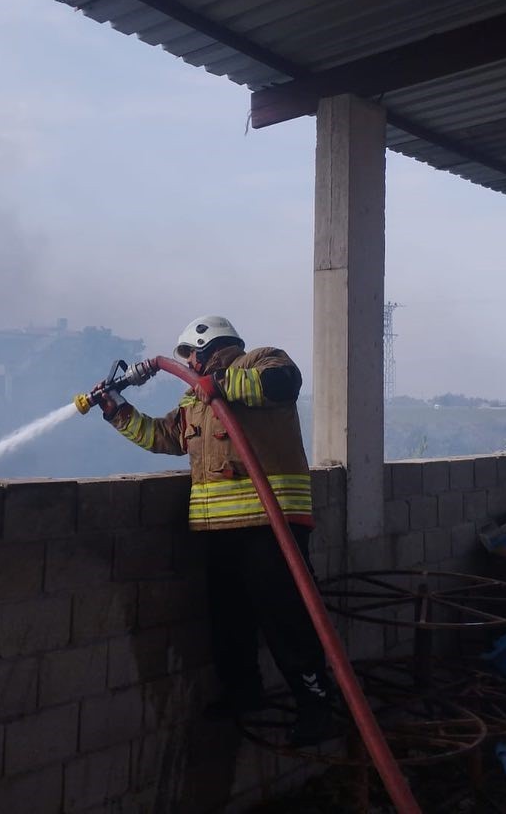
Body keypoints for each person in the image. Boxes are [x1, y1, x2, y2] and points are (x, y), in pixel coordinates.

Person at [95, 315, 333, 745]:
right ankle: (244, 693)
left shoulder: (261, 361)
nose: (184, 363)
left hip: (270, 523)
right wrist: (118, 412)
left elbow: (283, 384)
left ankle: (318, 706)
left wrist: (219, 383)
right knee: (230, 621)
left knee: (287, 620)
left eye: (188, 356)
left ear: (205, 348)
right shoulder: (194, 401)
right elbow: (163, 437)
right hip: (220, 530)